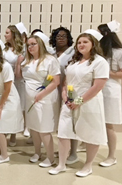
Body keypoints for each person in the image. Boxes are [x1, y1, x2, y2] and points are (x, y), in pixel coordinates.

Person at [48, 30, 109, 177]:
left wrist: (79, 101)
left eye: (85, 42)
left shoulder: (100, 62)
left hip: (89, 103)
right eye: (79, 42)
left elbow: (97, 86)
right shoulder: (74, 61)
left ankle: (88, 165)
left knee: (90, 134)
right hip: (69, 103)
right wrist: (65, 97)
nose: (81, 45)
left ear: (93, 44)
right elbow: (65, 83)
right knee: (63, 133)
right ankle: (61, 164)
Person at [16, 34, 60, 168]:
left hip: (45, 99)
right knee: (34, 127)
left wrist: (41, 94)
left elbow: (56, 81)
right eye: (28, 45)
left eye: (33, 44)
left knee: (43, 129)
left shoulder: (50, 60)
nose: (30, 47)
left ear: (40, 44)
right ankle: (37, 152)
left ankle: (50, 157)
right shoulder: (28, 61)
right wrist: (18, 62)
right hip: (30, 99)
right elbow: (19, 77)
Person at [49, 26, 78, 164]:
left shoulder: (73, 52)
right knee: (62, 122)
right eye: (57, 36)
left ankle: (73, 152)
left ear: (68, 39)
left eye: (63, 36)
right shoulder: (51, 52)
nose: (60, 38)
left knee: (72, 121)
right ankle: (64, 149)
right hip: (55, 90)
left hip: (69, 89)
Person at [98, 20, 122, 167]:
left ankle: (112, 156)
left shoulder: (119, 52)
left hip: (110, 90)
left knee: (108, 125)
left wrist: (109, 73)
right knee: (93, 118)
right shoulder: (99, 52)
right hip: (96, 89)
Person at [3, 25, 25, 147]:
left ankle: (13, 135)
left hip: (17, 81)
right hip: (6, 80)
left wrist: (18, 64)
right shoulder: (4, 49)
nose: (5, 35)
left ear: (13, 34)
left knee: (16, 107)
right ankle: (5, 132)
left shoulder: (21, 50)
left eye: (7, 33)